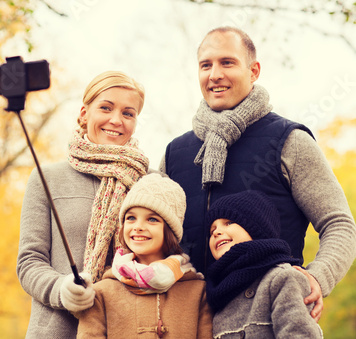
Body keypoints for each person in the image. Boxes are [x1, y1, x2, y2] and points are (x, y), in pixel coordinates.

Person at [161, 26, 356, 321]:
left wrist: (316, 277)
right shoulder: (175, 153)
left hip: (267, 319)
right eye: (206, 65)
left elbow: (339, 223)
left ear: (254, 71)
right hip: (186, 321)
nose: (214, 74)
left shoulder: (289, 140)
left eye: (227, 62)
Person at [17, 71, 151, 338]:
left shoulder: (151, 183)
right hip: (58, 330)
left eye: (128, 113)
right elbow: (29, 261)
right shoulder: (47, 178)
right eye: (105, 107)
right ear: (83, 114)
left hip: (129, 328)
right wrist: (61, 289)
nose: (116, 120)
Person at [77, 173, 213, 338]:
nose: (138, 227)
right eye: (131, 218)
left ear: (170, 230)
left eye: (152, 219)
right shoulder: (101, 293)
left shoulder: (198, 292)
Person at [206, 190, 323, 338]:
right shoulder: (218, 293)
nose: (217, 232)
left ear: (256, 227)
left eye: (229, 222)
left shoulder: (283, 278)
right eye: (212, 230)